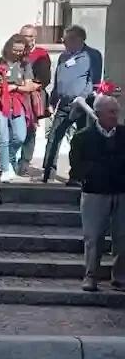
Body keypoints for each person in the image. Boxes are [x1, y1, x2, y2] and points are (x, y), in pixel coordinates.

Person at [69, 95, 125, 292]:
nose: (115, 116)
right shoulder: (83, 137)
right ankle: (91, 276)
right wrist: (93, 174)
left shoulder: (124, 135)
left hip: (121, 191)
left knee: (122, 236)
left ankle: (120, 278)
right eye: (111, 112)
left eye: (116, 112)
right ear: (99, 113)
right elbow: (75, 168)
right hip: (95, 192)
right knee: (93, 237)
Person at [43, 25, 102, 184]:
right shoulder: (63, 57)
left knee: (80, 140)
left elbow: (93, 80)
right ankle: (48, 173)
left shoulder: (92, 55)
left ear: (78, 39)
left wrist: (82, 98)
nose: (63, 42)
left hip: (82, 105)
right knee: (54, 137)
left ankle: (77, 176)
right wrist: (52, 102)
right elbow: (58, 81)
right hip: (64, 104)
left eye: (66, 39)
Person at [0, 35, 35, 183]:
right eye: (15, 50)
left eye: (21, 51)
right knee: (3, 137)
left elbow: (29, 86)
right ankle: (5, 169)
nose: (17, 53)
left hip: (17, 101)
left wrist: (15, 87)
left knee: (20, 136)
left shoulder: (25, 65)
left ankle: (8, 159)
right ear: (9, 47)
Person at [17, 24, 52, 176]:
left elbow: (44, 79)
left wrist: (30, 85)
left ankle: (24, 162)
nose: (28, 39)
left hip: (33, 96)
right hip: (16, 95)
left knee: (30, 129)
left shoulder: (41, 54)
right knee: (15, 130)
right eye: (25, 36)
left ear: (34, 37)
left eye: (30, 36)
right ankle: (10, 160)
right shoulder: (15, 52)